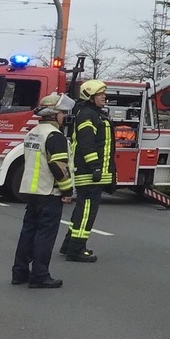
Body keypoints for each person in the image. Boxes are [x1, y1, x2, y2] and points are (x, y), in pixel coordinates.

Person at [12, 94, 74, 289]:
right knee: (44, 236)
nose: (64, 116)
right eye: (62, 113)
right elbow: (58, 166)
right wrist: (67, 190)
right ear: (54, 115)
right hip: (49, 192)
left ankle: (19, 272)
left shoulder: (33, 132)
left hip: (32, 190)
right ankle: (40, 275)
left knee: (28, 233)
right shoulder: (55, 136)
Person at [60, 79, 114, 263]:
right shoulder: (88, 115)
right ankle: (76, 249)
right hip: (90, 174)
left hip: (92, 173)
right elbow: (87, 144)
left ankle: (69, 244)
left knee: (82, 210)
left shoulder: (93, 114)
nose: (104, 97)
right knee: (86, 212)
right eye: (100, 94)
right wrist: (95, 167)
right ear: (90, 96)